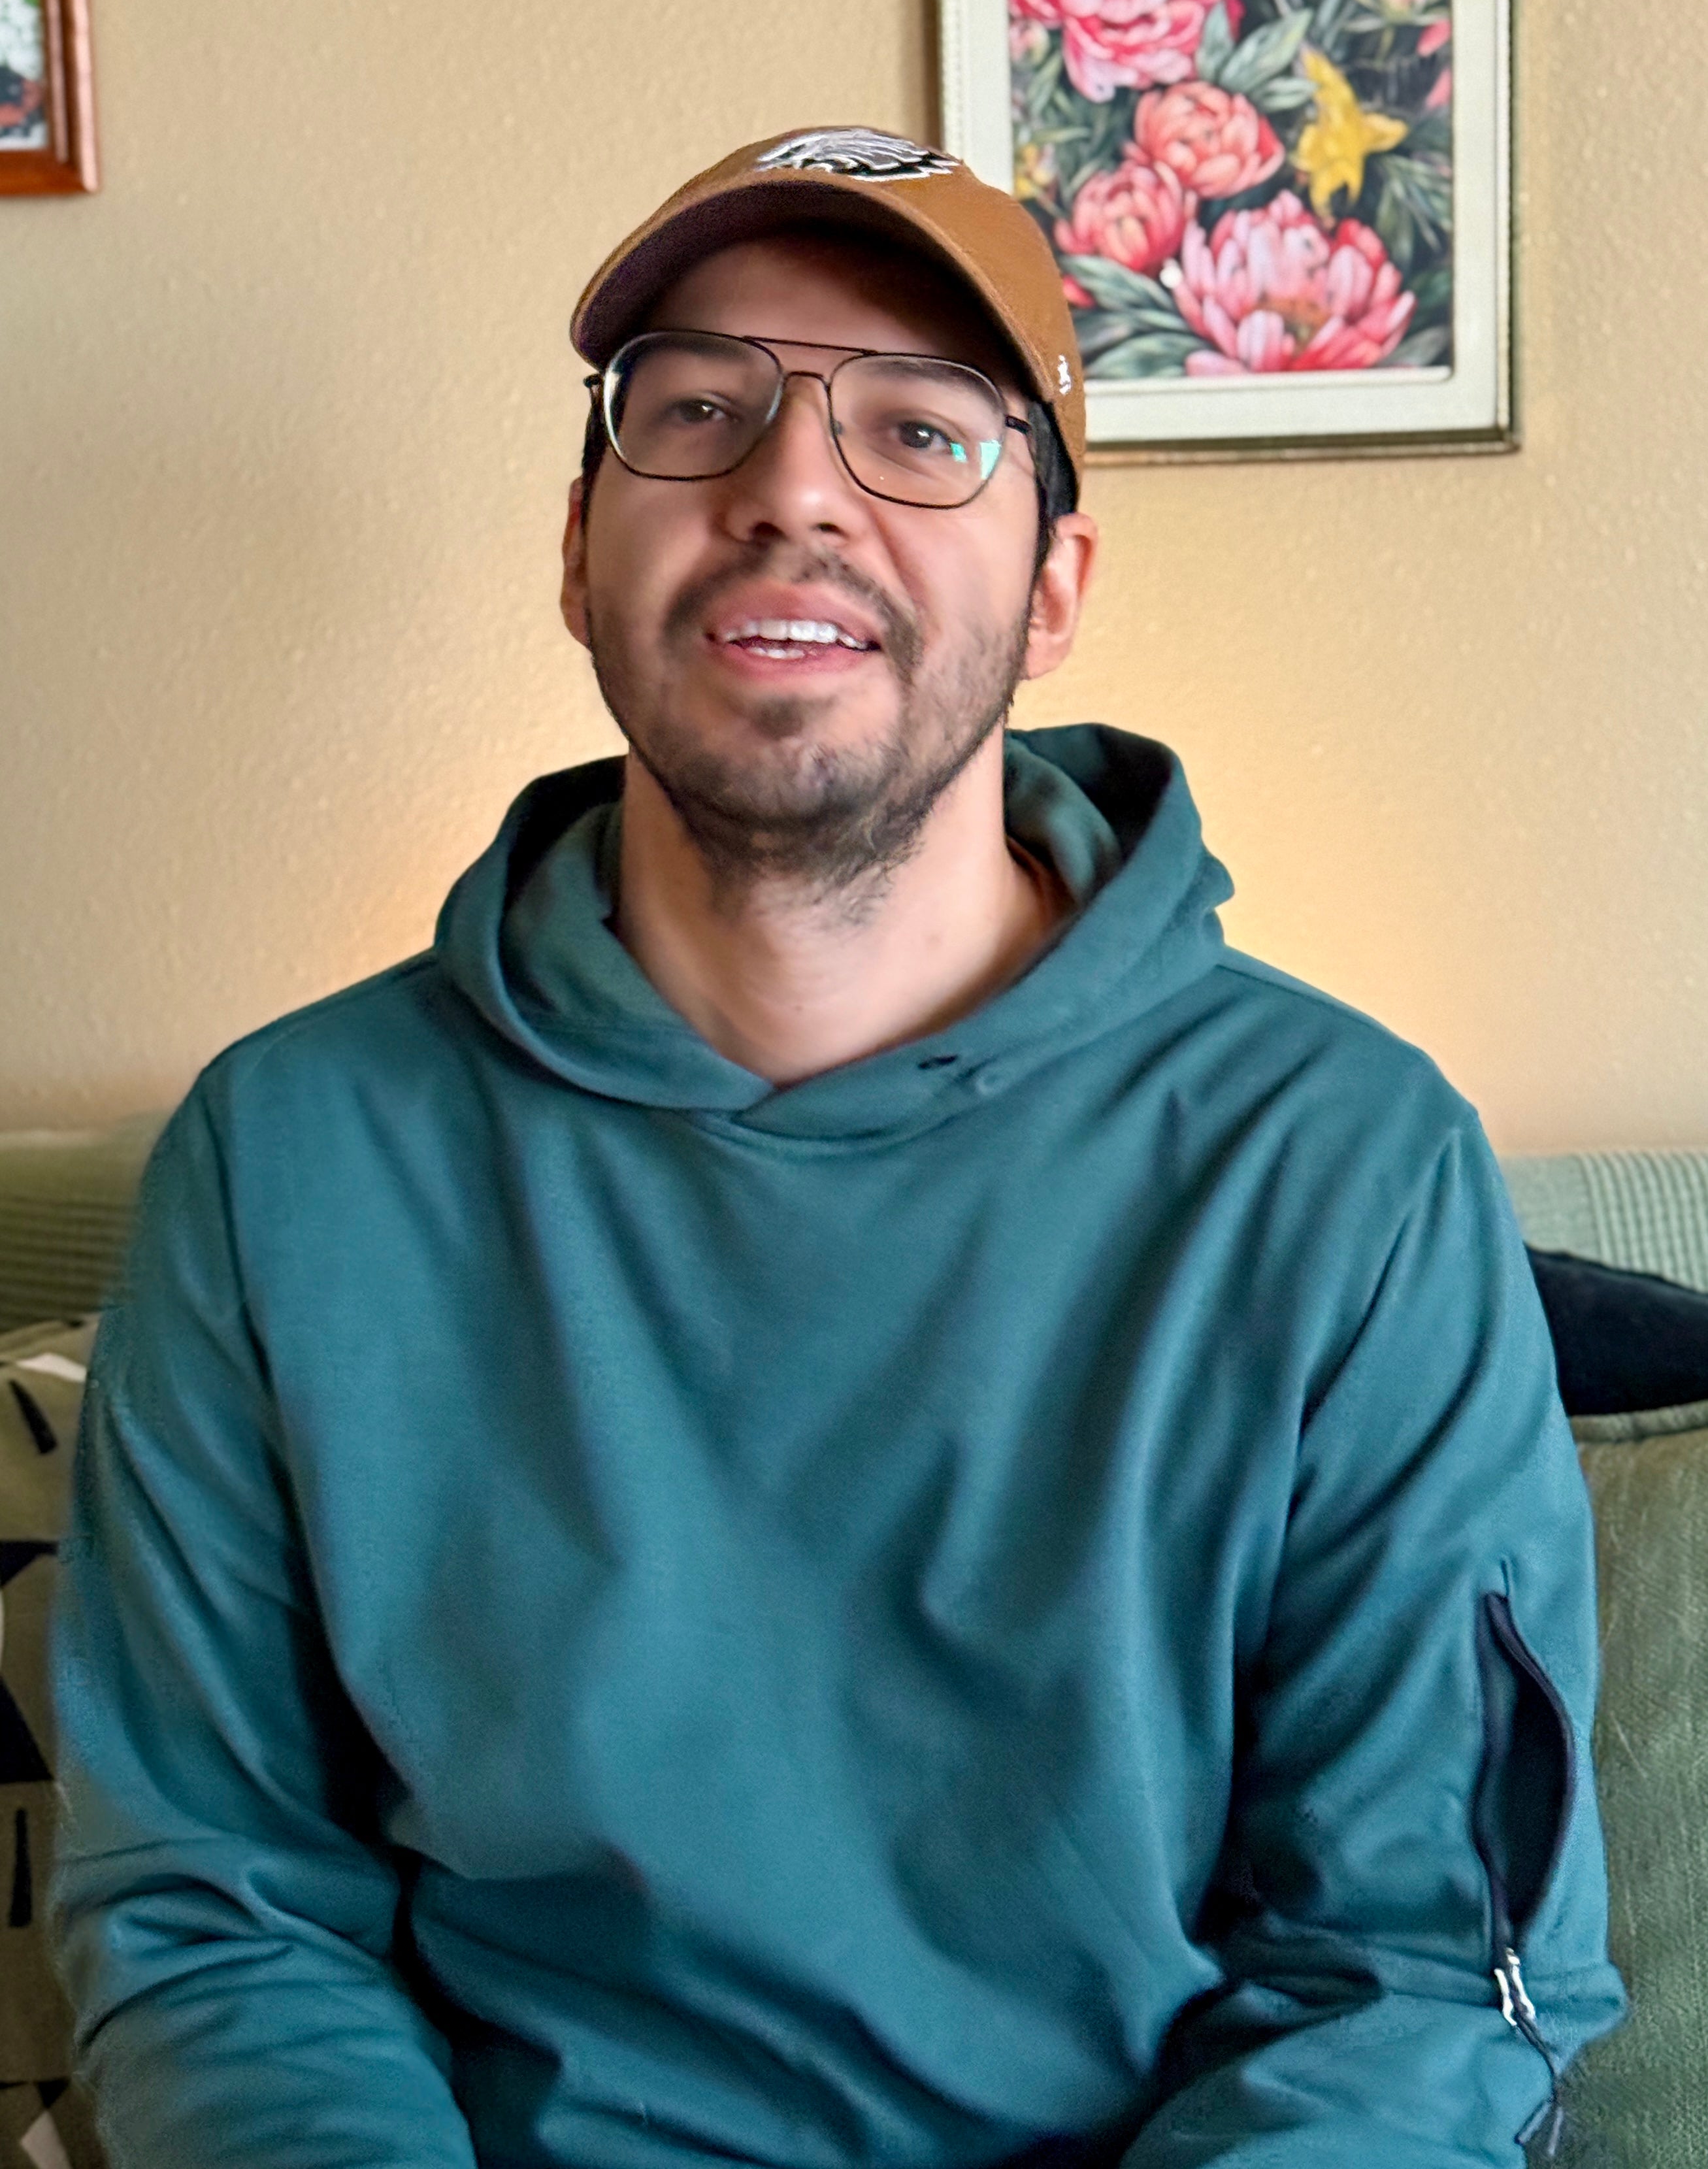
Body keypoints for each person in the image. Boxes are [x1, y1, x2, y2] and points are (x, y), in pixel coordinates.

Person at [52, 127, 1622, 2169]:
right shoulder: (287, 1158)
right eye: (700, 410)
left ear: (1054, 591)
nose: (793, 488)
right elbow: (219, 1911)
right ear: (578, 552)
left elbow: (1418, 1975)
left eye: (921, 432)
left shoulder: (1345, 1169)